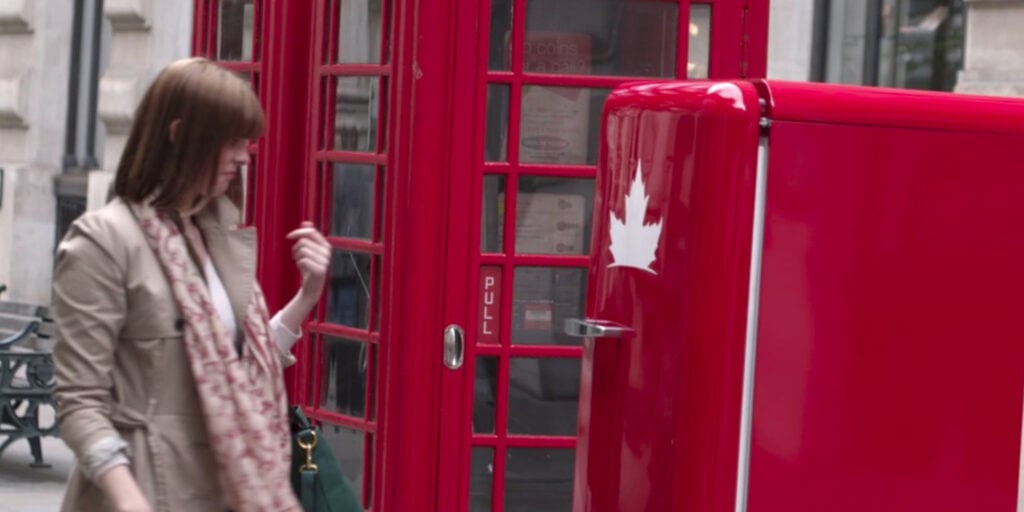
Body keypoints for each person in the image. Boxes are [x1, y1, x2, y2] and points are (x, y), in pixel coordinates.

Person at [51, 57, 330, 512]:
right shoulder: (104, 242)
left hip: (228, 487)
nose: (244, 156)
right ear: (181, 135)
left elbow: (242, 362)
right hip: (151, 485)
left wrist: (308, 294)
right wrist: (129, 499)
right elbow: (80, 403)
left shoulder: (215, 235)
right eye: (232, 142)